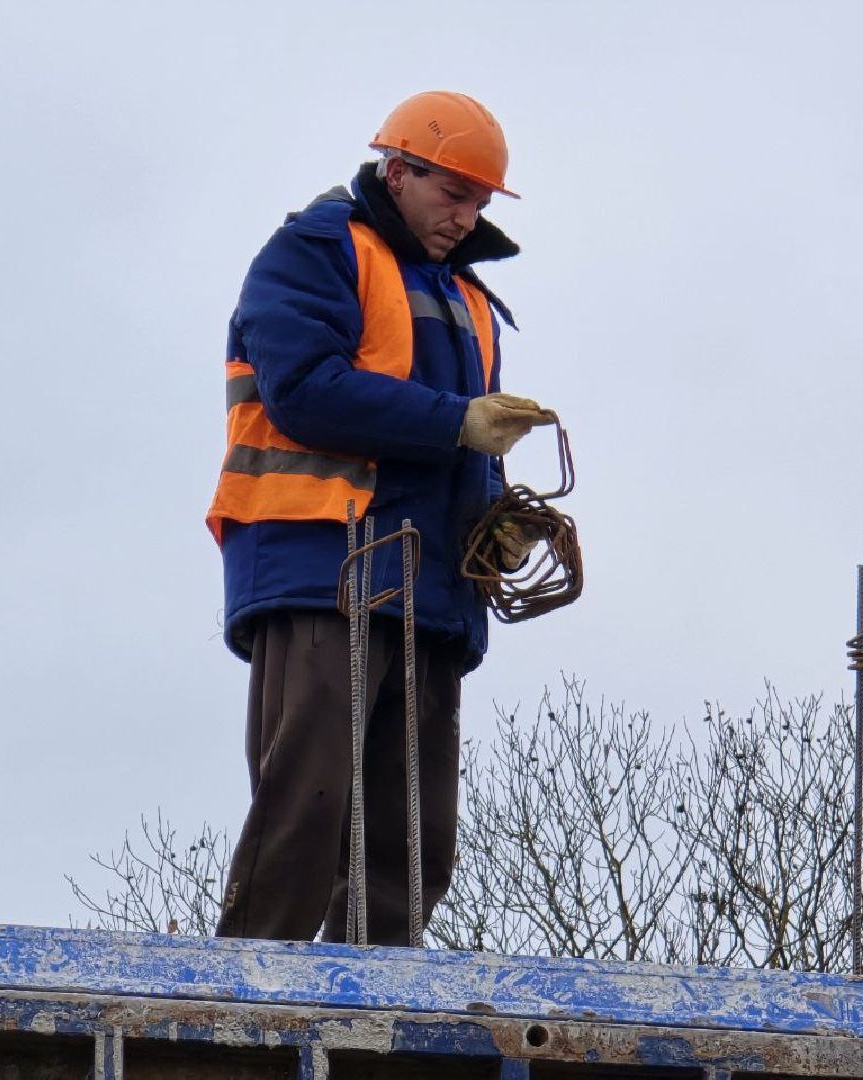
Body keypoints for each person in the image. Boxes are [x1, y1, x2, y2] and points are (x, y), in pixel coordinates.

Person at [206, 90, 551, 944]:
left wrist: (492, 524)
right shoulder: (313, 252)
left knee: (414, 844)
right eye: (454, 194)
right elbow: (304, 391)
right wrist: (455, 423)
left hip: (431, 591)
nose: (467, 218)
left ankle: (375, 1026)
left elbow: (456, 445)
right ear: (397, 172)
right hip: (326, 568)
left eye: (480, 202)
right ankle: (248, 1004)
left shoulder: (465, 296)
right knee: (309, 808)